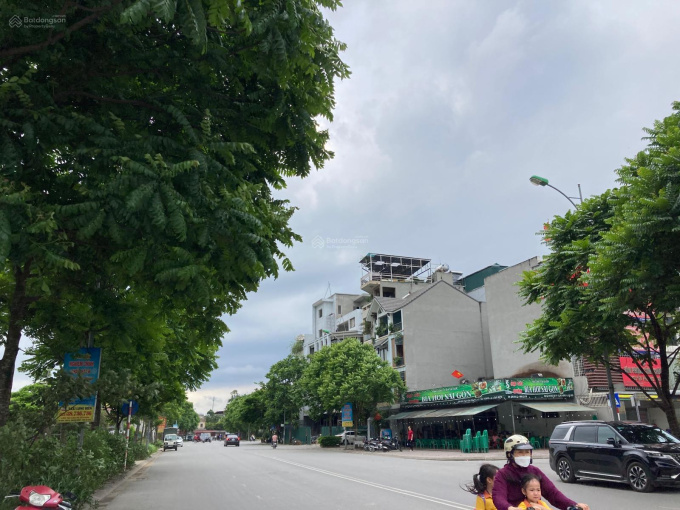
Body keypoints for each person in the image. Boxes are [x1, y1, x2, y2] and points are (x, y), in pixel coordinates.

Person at [491, 435, 589, 510]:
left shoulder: (535, 471)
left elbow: (552, 493)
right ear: (509, 454)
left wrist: (573, 505)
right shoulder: (503, 474)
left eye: (527, 452)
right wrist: (510, 508)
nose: (524, 455)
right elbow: (498, 497)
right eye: (520, 452)